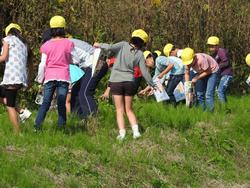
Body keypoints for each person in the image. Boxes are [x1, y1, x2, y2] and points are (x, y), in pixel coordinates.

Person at [94, 29, 155, 140]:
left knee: (119, 110)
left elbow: (109, 47)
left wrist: (99, 44)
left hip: (116, 81)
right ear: (143, 43)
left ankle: (122, 134)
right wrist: (152, 84)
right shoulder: (140, 54)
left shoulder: (122, 45)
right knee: (129, 109)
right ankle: (136, 132)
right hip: (130, 82)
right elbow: (145, 71)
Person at [34, 15, 77, 130]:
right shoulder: (69, 43)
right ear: (63, 28)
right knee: (61, 102)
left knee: (46, 103)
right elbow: (74, 59)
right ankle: (61, 128)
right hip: (63, 76)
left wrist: (40, 79)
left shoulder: (46, 45)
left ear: (51, 29)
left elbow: (42, 64)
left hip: (49, 77)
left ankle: (37, 127)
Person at [0, 23, 32, 133]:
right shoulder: (24, 44)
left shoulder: (7, 40)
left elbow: (3, 57)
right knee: (8, 100)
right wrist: (29, 81)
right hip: (20, 78)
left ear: (8, 32)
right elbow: (30, 64)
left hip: (11, 78)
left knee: (10, 106)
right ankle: (22, 111)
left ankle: (17, 133)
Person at [181, 47, 219, 112]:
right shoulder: (187, 63)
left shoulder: (201, 59)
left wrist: (197, 77)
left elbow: (208, 71)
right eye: (187, 63)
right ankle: (203, 111)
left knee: (208, 94)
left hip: (212, 71)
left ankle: (211, 113)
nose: (188, 64)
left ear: (194, 57)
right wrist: (187, 85)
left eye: (190, 62)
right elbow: (187, 74)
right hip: (201, 72)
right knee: (199, 94)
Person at [207, 36, 233, 103]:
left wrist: (217, 66)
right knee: (221, 92)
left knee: (220, 91)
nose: (210, 48)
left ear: (217, 46)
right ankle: (226, 108)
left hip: (227, 74)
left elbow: (226, 62)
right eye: (209, 46)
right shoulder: (214, 54)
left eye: (212, 46)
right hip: (222, 75)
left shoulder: (221, 51)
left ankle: (224, 109)